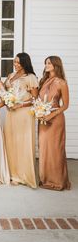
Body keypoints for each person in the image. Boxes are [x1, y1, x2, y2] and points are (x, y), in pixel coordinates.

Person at [4, 53, 38, 188]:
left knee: (23, 143)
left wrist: (21, 104)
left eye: (18, 62)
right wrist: (8, 103)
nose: (15, 64)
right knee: (11, 142)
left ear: (25, 62)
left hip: (24, 113)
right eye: (14, 62)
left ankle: (24, 175)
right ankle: (13, 174)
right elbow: (6, 93)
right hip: (11, 113)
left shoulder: (30, 77)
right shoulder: (11, 76)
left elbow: (35, 98)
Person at [38, 56, 70, 190]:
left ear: (56, 65)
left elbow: (65, 105)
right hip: (43, 120)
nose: (46, 65)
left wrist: (51, 114)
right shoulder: (44, 81)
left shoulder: (61, 82)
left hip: (56, 120)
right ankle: (45, 179)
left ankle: (57, 181)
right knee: (44, 149)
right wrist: (39, 112)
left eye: (49, 63)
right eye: (45, 63)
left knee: (56, 150)